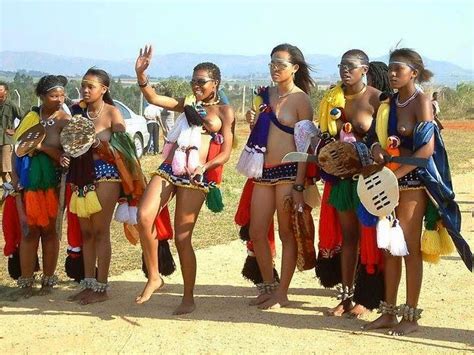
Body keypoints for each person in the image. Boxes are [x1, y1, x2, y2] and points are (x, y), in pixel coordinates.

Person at [365, 48, 472, 335]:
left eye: (398, 69)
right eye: (390, 69)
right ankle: (388, 312)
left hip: (412, 184)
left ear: (414, 72)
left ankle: (410, 317)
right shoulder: (387, 102)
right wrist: (376, 149)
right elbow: (375, 138)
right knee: (389, 249)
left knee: (409, 248)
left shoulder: (421, 101)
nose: (392, 73)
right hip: (388, 181)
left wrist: (395, 174)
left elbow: (426, 149)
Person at [134, 45, 235, 315]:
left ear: (216, 83)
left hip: (196, 175)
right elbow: (154, 98)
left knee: (182, 237)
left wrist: (206, 165)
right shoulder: (187, 102)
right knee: (144, 216)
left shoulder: (225, 111)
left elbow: (226, 152)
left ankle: (188, 297)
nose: (196, 85)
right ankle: (154, 276)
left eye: (201, 81)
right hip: (171, 166)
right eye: (193, 81)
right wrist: (141, 75)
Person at [238, 43, 315, 309]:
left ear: (294, 68)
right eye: (272, 62)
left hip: (288, 173)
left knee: (286, 233)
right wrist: (253, 121)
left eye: (280, 64)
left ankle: (283, 292)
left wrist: (299, 184)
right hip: (263, 172)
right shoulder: (265, 94)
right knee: (257, 231)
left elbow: (305, 146)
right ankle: (269, 285)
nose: (274, 68)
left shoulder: (301, 100)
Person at [67, 68, 141, 305]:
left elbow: (124, 148)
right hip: (81, 177)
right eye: (84, 85)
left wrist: (100, 144)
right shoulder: (77, 112)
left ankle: (102, 287)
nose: (86, 90)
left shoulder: (112, 113)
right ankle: (88, 283)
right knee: (86, 233)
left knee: (100, 231)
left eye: (91, 86)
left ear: (104, 89)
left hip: (106, 176)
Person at [316, 50, 381, 317]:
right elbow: (323, 133)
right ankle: (346, 297)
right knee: (348, 238)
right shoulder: (332, 97)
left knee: (371, 239)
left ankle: (368, 298)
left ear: (364, 69)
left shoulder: (377, 98)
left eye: (350, 66)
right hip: (342, 180)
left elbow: (381, 138)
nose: (345, 69)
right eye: (341, 65)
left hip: (369, 179)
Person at [10, 75, 70, 297]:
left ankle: (48, 280)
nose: (59, 99)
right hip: (27, 184)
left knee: (50, 232)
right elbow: (18, 150)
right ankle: (26, 282)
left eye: (62, 95)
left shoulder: (65, 120)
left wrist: (42, 147)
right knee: (29, 232)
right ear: (42, 96)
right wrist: (15, 177)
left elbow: (66, 156)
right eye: (54, 95)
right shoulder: (30, 117)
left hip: (53, 185)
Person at [0, 82, 23, 187]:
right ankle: (6, 187)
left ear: (6, 92)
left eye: (1, 90)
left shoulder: (11, 105)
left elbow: (24, 117)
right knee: (1, 168)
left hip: (6, 140)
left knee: (7, 167)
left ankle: (14, 186)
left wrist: (15, 130)